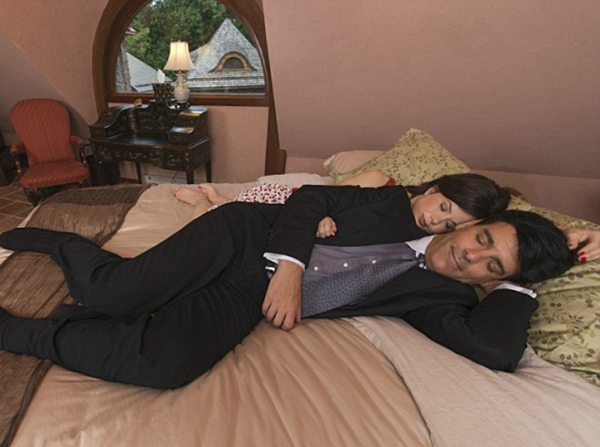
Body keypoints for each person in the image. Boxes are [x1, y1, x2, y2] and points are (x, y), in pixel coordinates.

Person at [0, 184, 576, 389]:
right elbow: (310, 197)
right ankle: (64, 244)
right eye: (484, 239)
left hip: (250, 295)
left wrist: (520, 284)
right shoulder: (402, 205)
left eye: (491, 267)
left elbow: (495, 351)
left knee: (166, 364)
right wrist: (292, 265)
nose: (470, 255)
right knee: (114, 294)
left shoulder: (442, 299)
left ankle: (29, 334)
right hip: (245, 237)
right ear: (477, 223)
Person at [176, 171, 512, 235]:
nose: (436, 221)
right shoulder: (380, 182)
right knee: (212, 221)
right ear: (433, 190)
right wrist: (319, 215)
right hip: (295, 203)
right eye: (443, 208)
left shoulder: (412, 235)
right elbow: (327, 196)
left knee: (235, 214)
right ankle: (206, 202)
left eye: (449, 225)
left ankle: (220, 200)